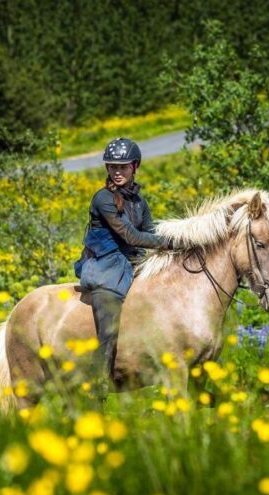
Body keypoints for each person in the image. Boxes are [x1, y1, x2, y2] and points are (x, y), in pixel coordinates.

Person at [74, 137, 173, 396]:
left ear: (134, 167)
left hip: (134, 263)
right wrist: (172, 241)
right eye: (113, 167)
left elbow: (149, 233)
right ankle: (97, 387)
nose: (117, 172)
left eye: (123, 167)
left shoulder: (140, 203)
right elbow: (131, 236)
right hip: (107, 267)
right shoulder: (102, 198)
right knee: (109, 326)